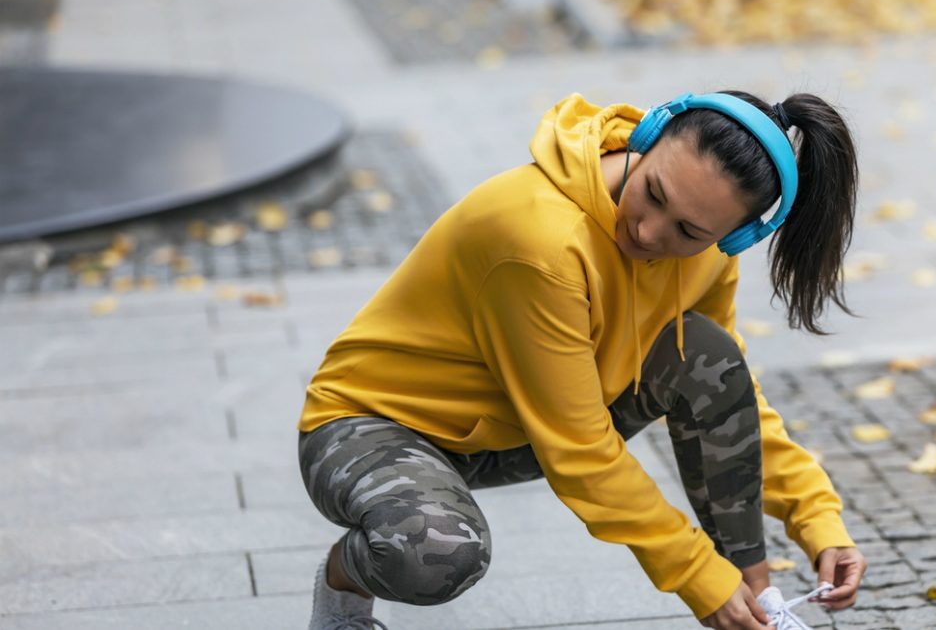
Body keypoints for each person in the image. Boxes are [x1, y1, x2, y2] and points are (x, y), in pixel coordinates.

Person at [297, 90, 866, 630]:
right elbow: (579, 447)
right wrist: (694, 573)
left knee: (706, 358)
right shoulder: (539, 242)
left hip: (514, 430)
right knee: (435, 552)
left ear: (737, 237)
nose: (647, 230)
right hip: (372, 427)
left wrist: (817, 518)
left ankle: (756, 600)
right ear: (647, 137)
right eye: (654, 193)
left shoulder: (710, 257)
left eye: (688, 231)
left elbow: (729, 390)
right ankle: (344, 584)